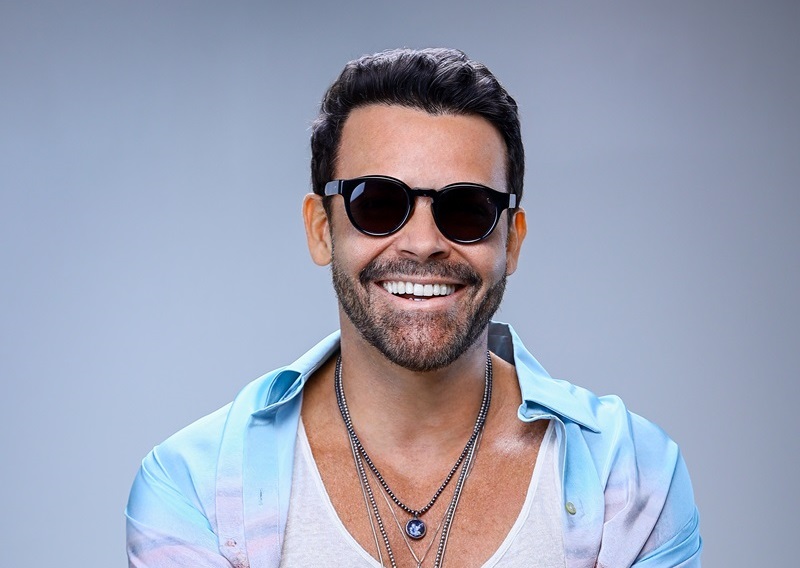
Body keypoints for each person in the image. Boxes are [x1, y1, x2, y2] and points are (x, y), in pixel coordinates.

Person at [126, 47, 702, 568]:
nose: (423, 243)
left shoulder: (630, 479)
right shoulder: (197, 488)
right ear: (321, 229)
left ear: (512, 241)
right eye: (378, 204)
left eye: (468, 210)